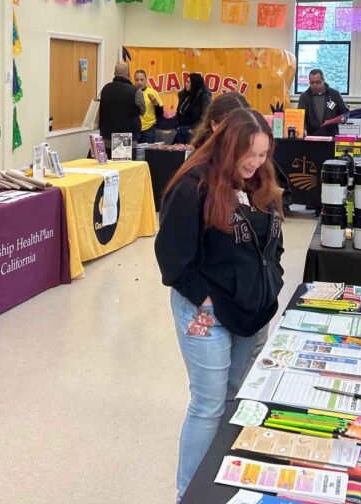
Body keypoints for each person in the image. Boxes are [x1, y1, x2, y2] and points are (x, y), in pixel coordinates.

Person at [156, 109, 285, 501]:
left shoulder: (260, 179)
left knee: (235, 397)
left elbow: (272, 241)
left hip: (254, 310)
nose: (256, 163)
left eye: (263, 155)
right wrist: (208, 301)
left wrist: (272, 279)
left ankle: (220, 485)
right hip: (208, 314)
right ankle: (189, 494)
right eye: (249, 154)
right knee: (209, 405)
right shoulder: (193, 186)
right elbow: (173, 260)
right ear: (227, 145)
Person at [98, 61, 144, 151]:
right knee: (125, 164)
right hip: (127, 136)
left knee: (109, 164)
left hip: (107, 136)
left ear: (114, 74)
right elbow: (142, 111)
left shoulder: (105, 89)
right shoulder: (135, 91)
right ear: (128, 74)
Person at [297, 68, 349, 136]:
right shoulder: (304, 97)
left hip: (331, 137)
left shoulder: (335, 94)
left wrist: (344, 118)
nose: (315, 85)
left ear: (323, 81)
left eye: (318, 82)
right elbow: (300, 117)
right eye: (312, 83)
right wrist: (303, 129)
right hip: (311, 137)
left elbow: (345, 112)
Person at [175, 72, 211, 144]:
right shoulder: (183, 95)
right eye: (186, 81)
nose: (186, 84)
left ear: (195, 84)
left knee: (190, 154)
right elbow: (179, 112)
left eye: (188, 82)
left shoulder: (204, 97)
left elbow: (206, 116)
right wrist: (177, 126)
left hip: (193, 133)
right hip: (181, 130)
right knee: (177, 153)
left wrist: (193, 129)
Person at [134, 68, 163, 144]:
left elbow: (161, 113)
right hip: (135, 129)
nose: (139, 82)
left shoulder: (153, 92)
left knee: (147, 154)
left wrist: (155, 103)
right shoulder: (132, 93)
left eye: (141, 79)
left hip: (149, 129)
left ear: (146, 80)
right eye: (137, 80)